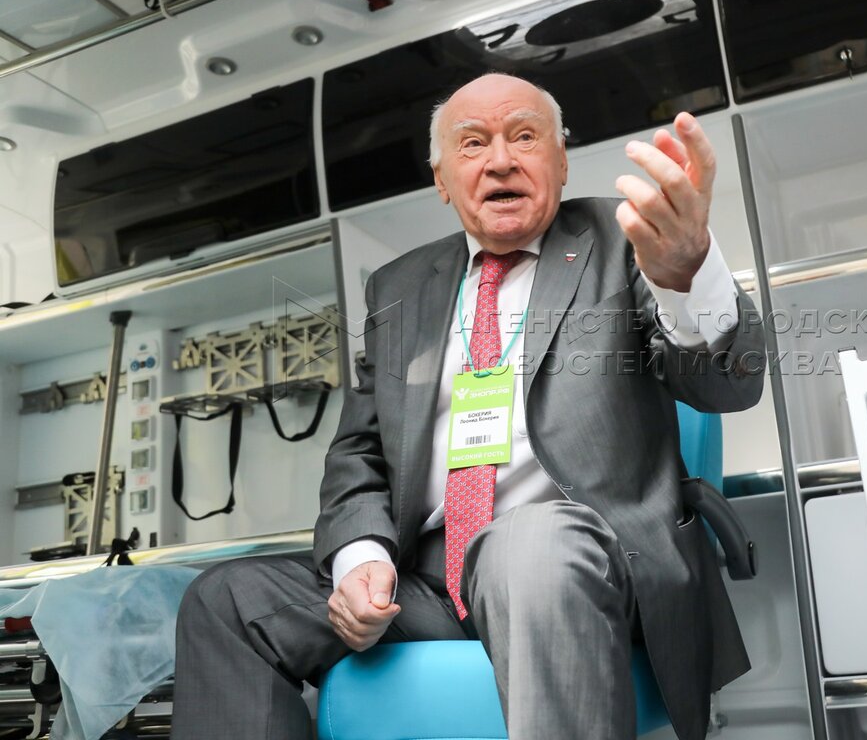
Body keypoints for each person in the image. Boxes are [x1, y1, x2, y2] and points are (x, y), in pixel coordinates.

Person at [171, 73, 766, 740]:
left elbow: (728, 385)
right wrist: (361, 560)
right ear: (442, 179)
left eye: (524, 136)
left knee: (528, 543)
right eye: (473, 143)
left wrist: (688, 275)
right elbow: (359, 454)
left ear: (561, 161)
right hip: (428, 584)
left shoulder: (623, 239)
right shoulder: (400, 287)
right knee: (226, 600)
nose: (501, 160)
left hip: (587, 566)